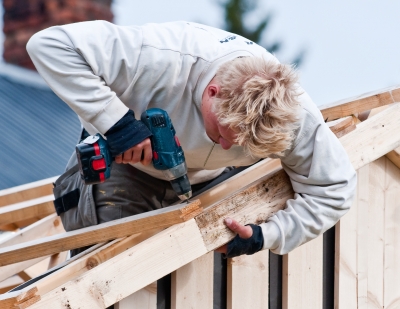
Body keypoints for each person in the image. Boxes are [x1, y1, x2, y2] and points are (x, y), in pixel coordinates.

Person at [27, 20, 356, 258]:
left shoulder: (293, 114)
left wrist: (265, 235)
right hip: (126, 176)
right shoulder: (159, 57)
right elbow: (49, 44)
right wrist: (120, 126)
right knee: (112, 269)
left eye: (242, 146)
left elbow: (334, 189)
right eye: (225, 135)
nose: (227, 147)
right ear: (213, 92)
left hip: (210, 184)